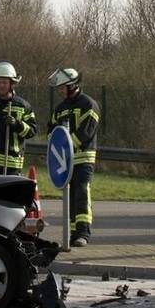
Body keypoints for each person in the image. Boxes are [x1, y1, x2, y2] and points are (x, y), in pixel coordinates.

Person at [49, 67, 100, 246]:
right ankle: (72, 234)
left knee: (82, 191)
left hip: (83, 157)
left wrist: (67, 146)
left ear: (73, 85)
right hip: (66, 160)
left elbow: (87, 131)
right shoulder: (60, 108)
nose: (61, 91)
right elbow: (52, 131)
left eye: (63, 87)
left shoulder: (88, 104)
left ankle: (83, 233)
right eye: (60, 88)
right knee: (69, 196)